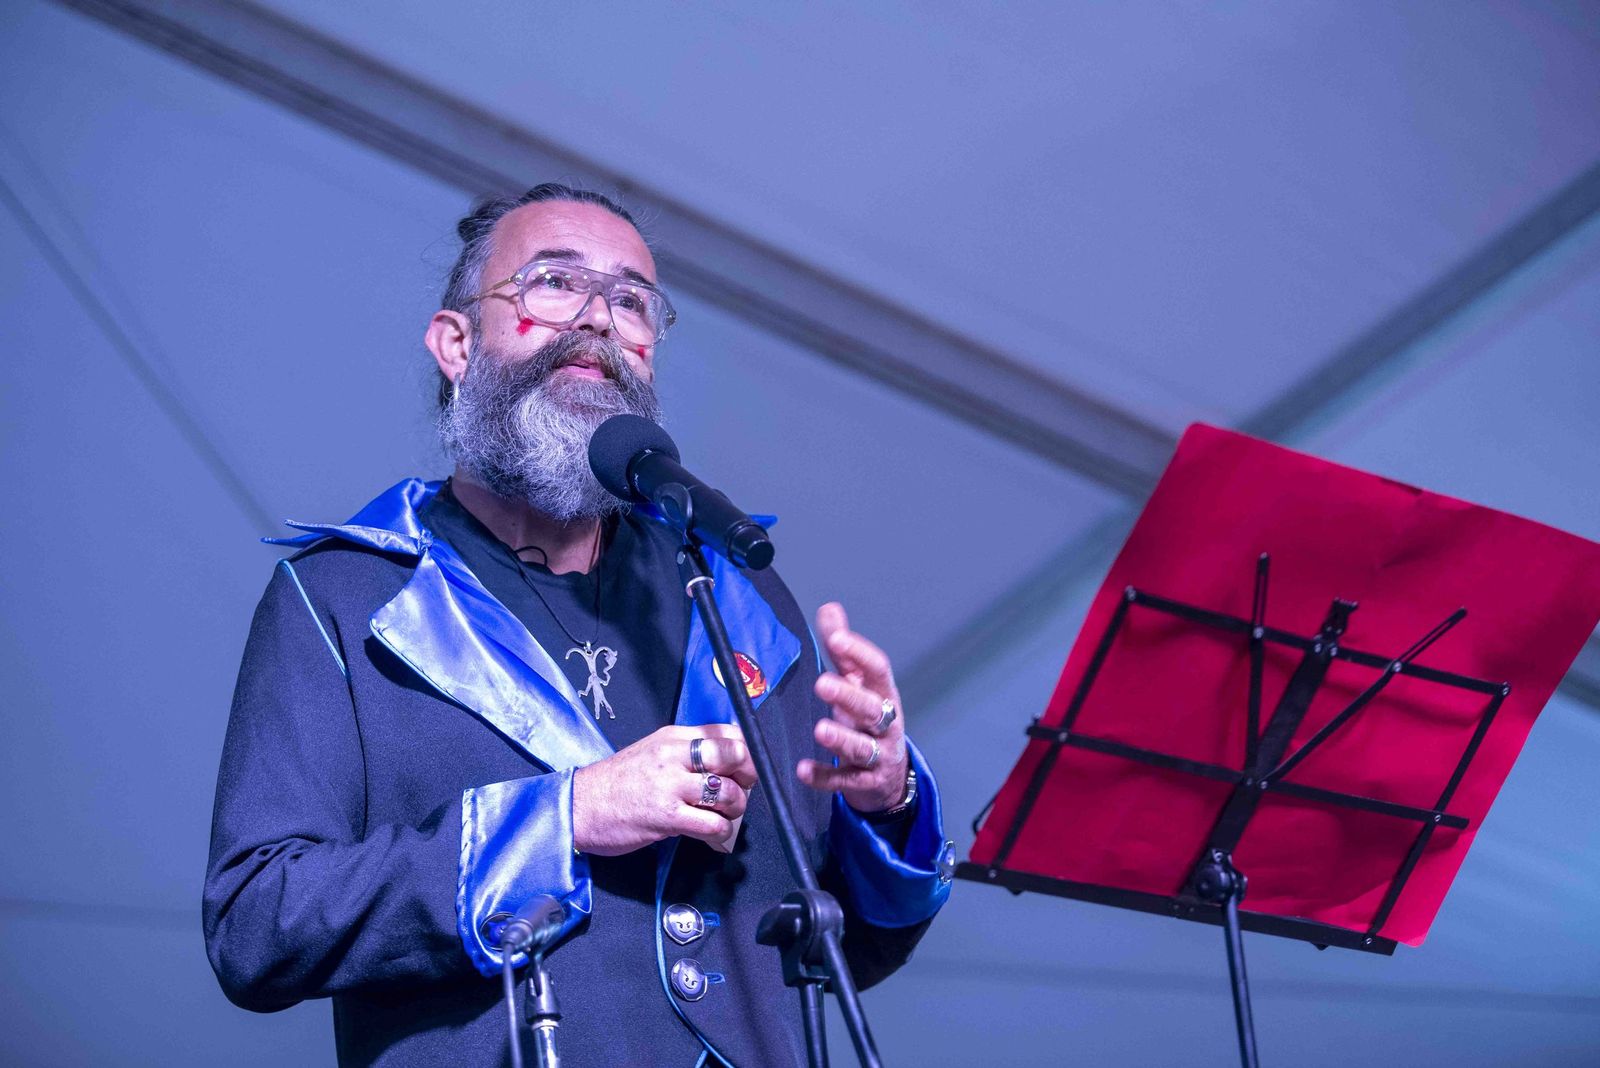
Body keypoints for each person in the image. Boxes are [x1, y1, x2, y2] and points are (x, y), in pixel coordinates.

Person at [203, 183, 956, 1067]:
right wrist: (564, 818)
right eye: (554, 282)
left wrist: (886, 800)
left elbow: (842, 951)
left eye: (632, 299)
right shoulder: (344, 598)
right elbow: (257, 925)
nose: (599, 318)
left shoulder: (736, 600)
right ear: (455, 344)